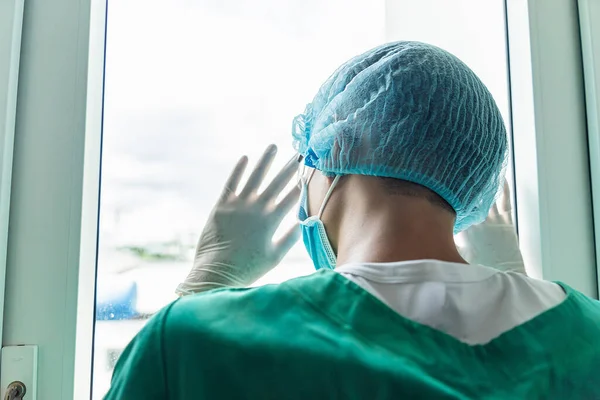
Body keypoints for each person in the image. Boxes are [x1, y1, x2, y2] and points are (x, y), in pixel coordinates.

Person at [104, 42, 600, 399]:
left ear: (339, 145)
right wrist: (515, 285)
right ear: (471, 180)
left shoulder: (195, 340)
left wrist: (205, 288)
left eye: (308, 160)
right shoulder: (587, 334)